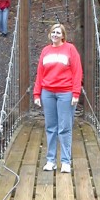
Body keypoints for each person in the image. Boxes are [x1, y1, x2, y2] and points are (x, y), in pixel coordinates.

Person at [33, 23, 83, 173]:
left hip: (65, 93)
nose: (55, 34)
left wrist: (76, 93)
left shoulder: (70, 49)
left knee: (64, 128)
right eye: (53, 32)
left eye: (58, 32)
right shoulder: (45, 51)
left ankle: (66, 162)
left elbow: (77, 72)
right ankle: (51, 160)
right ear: (50, 34)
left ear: (63, 36)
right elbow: (40, 73)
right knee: (50, 127)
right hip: (47, 93)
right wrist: (37, 93)